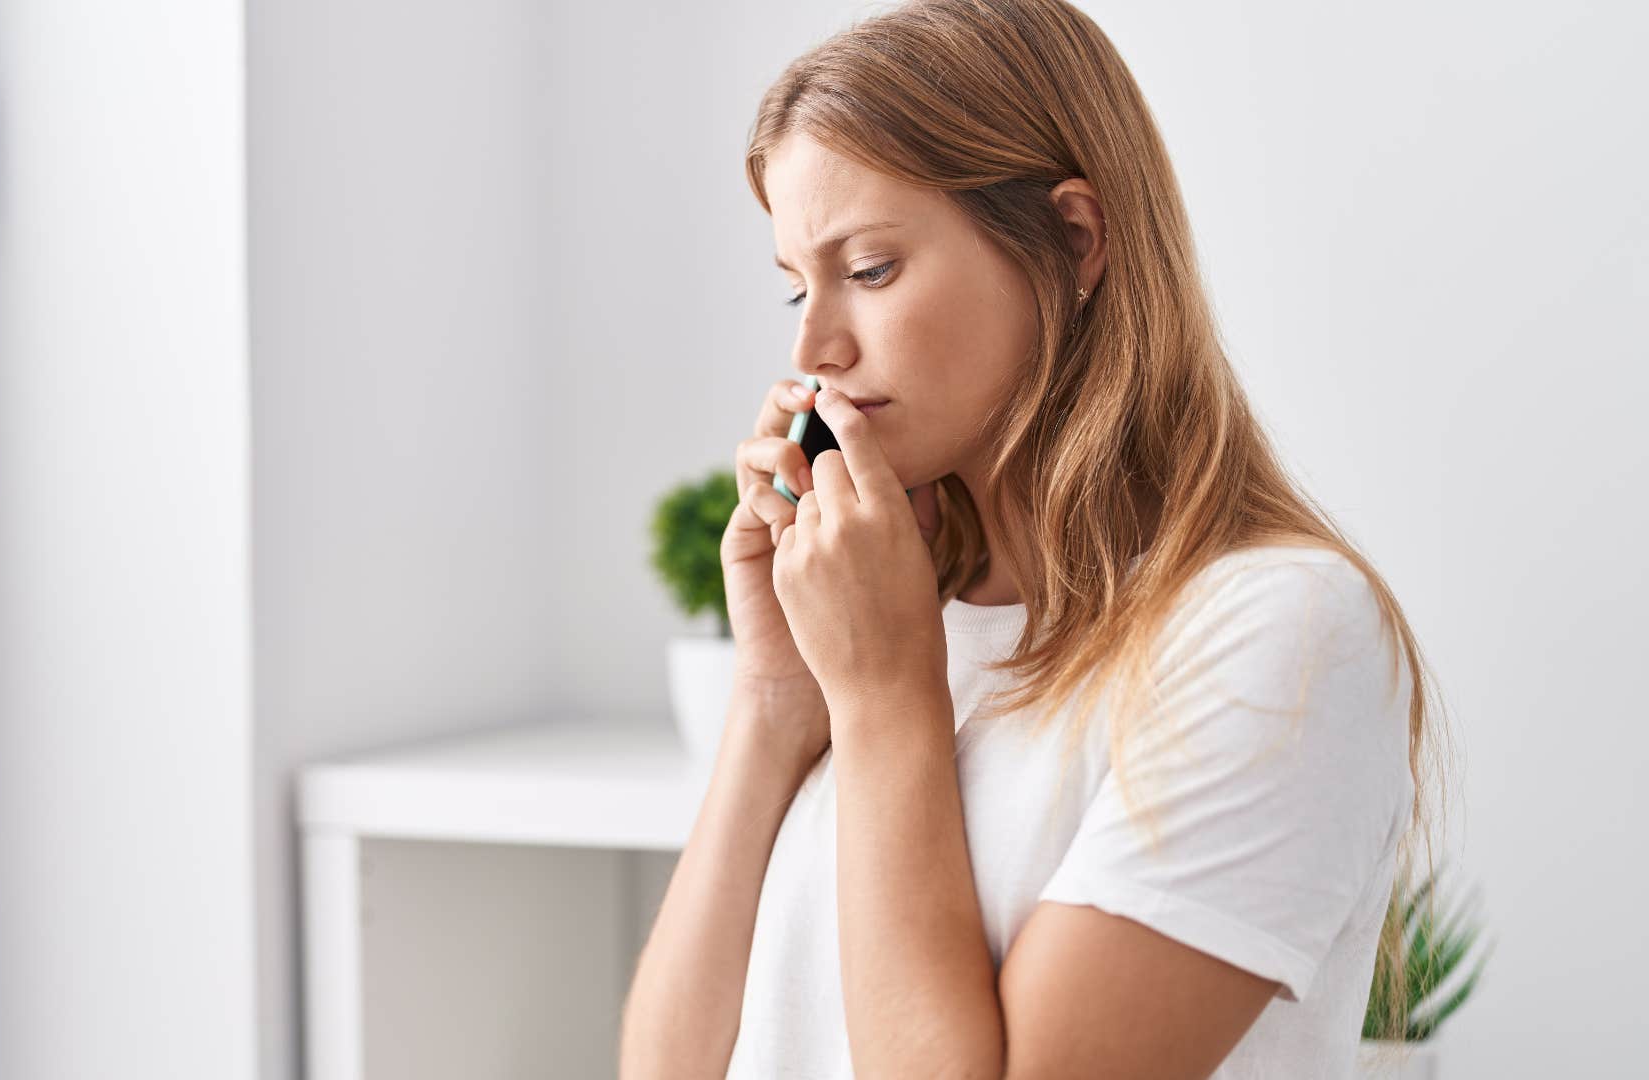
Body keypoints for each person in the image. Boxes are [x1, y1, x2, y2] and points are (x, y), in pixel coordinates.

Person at [619, 1, 1455, 1077]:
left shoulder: (1281, 636)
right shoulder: (894, 628)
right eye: (796, 284)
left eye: (869, 270)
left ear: (1073, 239)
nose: (813, 345)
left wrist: (885, 703)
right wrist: (776, 706)